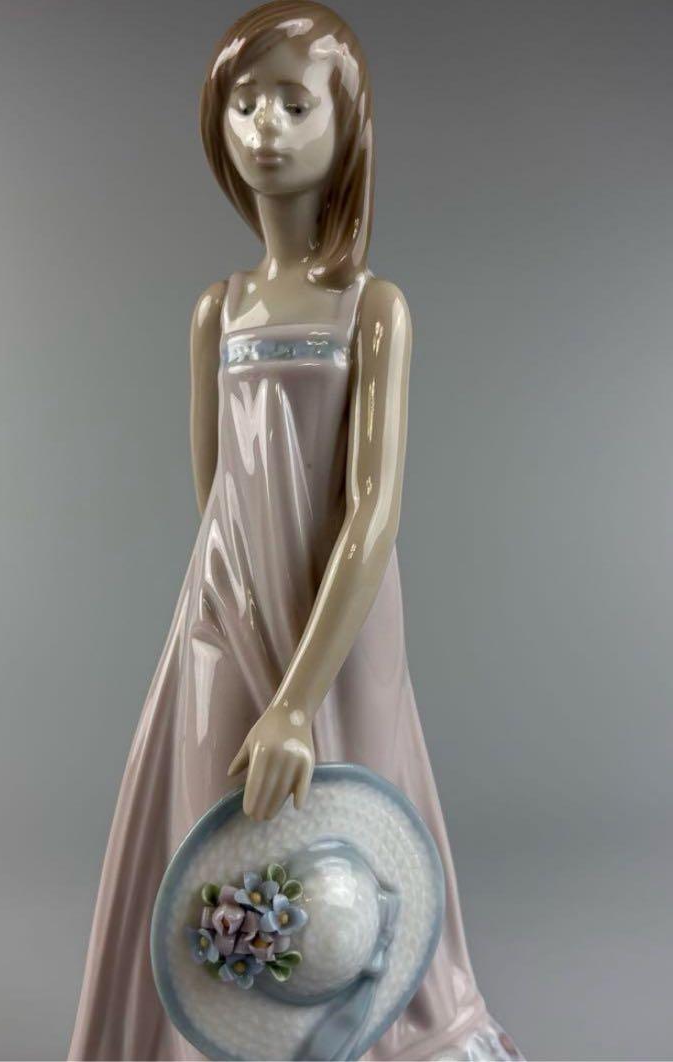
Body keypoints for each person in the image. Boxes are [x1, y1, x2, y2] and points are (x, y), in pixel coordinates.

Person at [68, 3, 520, 1059]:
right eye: (244, 102)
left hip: (342, 622)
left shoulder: (372, 308)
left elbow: (372, 512)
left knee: (351, 828)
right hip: (223, 617)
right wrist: (235, 630)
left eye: (294, 102)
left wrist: (298, 698)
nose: (264, 125)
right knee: (214, 835)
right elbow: (218, 495)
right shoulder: (217, 311)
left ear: (345, 126)